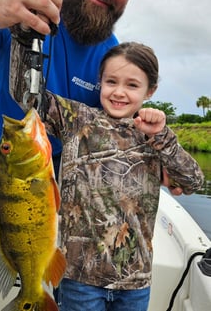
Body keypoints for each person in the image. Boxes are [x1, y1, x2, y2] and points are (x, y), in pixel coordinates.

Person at [0, 0, 166, 291]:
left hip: (60, 175)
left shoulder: (112, 61)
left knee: (66, 282)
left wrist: (153, 153)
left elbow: (115, 137)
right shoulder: (20, 14)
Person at [38, 42, 204, 311]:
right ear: (99, 82)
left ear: (150, 91)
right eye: (111, 81)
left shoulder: (155, 135)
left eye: (132, 85)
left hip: (135, 283)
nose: (119, 92)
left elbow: (194, 181)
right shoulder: (77, 119)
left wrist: (162, 136)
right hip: (79, 278)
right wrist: (26, 37)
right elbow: (25, 94)